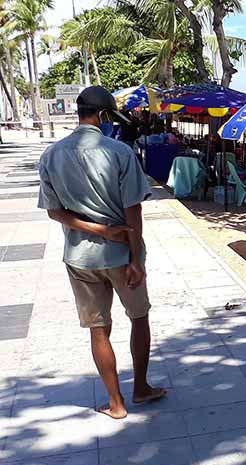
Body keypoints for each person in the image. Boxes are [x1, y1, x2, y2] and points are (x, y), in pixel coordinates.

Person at [37, 86, 166, 420]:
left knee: (99, 329)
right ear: (105, 116)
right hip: (122, 255)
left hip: (80, 258)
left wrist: (95, 230)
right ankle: (140, 387)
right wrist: (136, 258)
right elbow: (133, 210)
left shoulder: (51, 155)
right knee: (139, 318)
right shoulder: (120, 152)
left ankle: (115, 403)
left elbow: (55, 212)